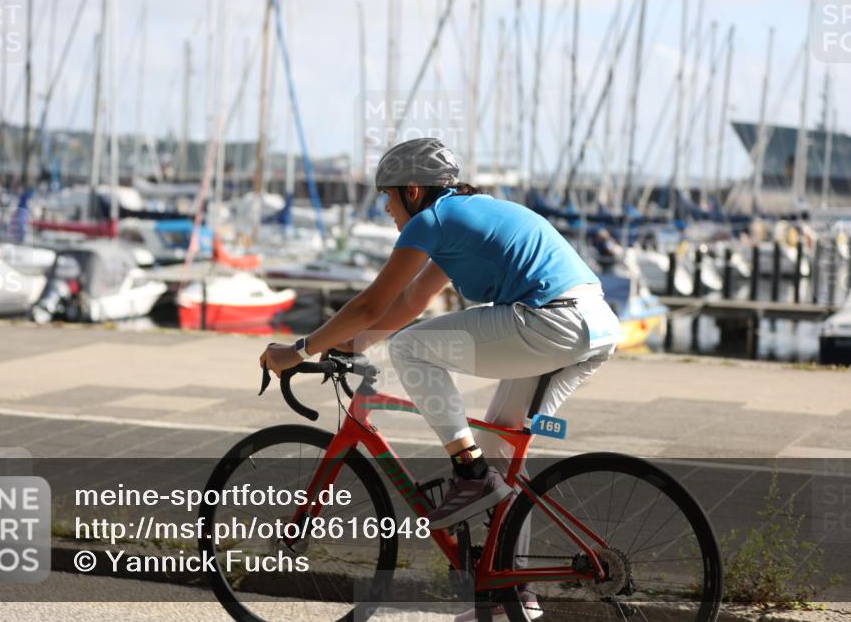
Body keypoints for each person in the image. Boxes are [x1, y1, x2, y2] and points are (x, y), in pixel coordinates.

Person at [260, 136, 619, 532]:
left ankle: (469, 471)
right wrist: (357, 343)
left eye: (389, 196)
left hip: (551, 321)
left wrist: (299, 350)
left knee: (410, 348)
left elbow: (369, 304)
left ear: (412, 191)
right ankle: (513, 587)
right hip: (596, 326)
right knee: (502, 461)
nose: (386, 207)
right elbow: (414, 298)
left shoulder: (431, 221)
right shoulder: (465, 217)